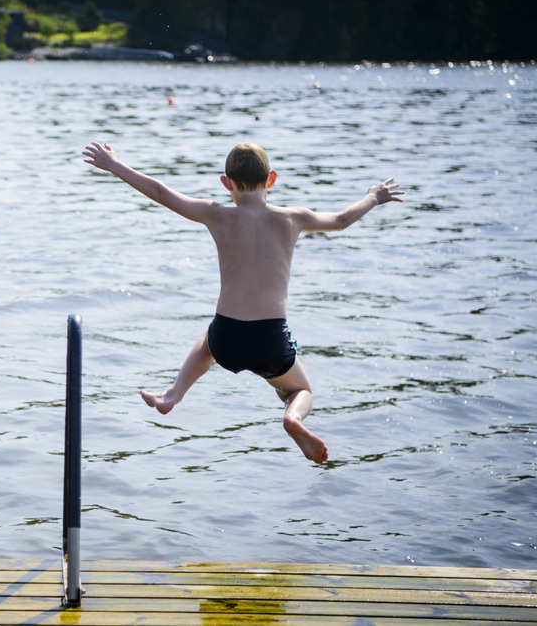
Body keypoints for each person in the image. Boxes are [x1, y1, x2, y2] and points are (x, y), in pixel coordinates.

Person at [82, 141, 404, 464]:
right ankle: (294, 419)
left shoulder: (216, 214)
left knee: (208, 343)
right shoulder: (293, 218)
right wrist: (373, 197)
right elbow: (341, 219)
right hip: (270, 340)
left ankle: (172, 395)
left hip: (227, 337)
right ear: (272, 180)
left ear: (227, 184)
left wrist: (114, 164)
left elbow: (162, 192)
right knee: (300, 391)